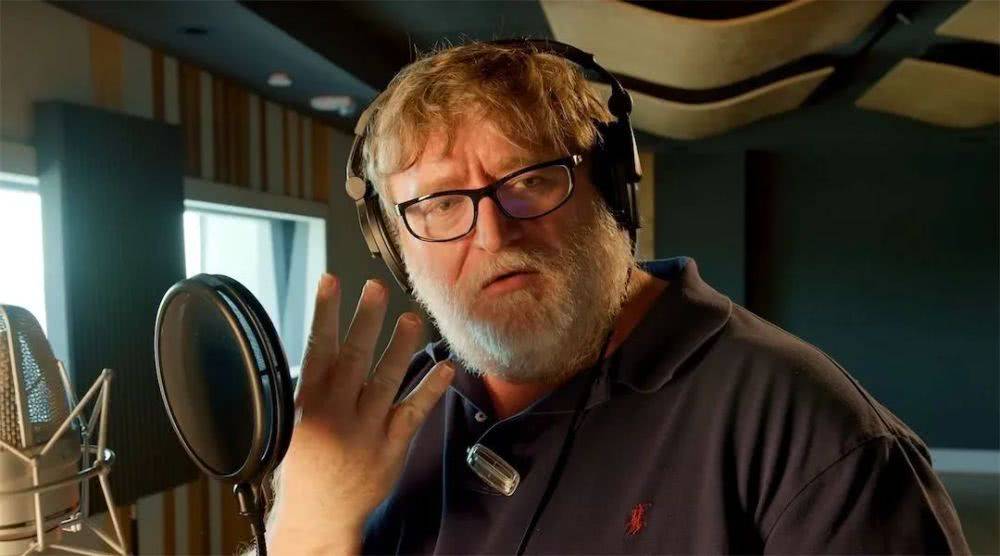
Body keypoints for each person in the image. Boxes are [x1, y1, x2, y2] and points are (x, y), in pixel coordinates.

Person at [262, 41, 970, 554]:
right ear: (396, 245)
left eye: (530, 180)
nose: (494, 232)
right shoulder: (381, 423)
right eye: (441, 203)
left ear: (610, 191)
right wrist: (306, 528)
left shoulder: (811, 435)